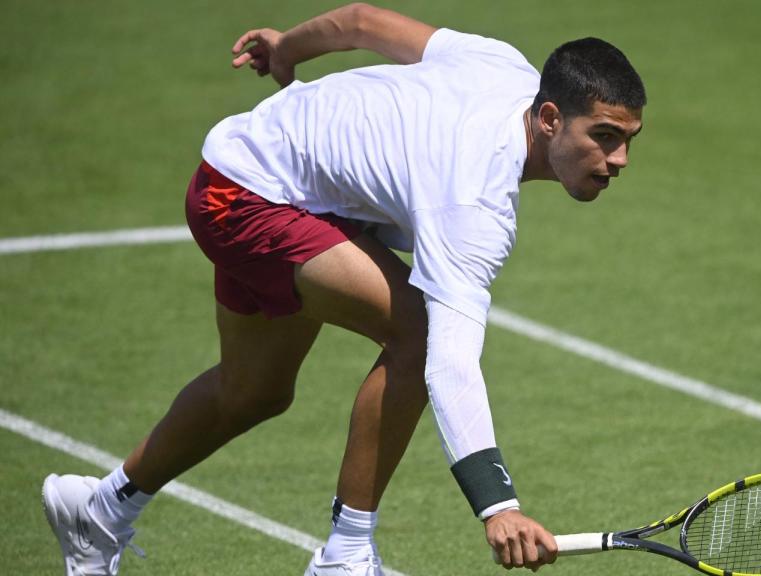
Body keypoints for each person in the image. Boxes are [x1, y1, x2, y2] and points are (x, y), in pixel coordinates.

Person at [41, 3, 646, 575]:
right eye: (604, 136)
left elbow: (360, 21)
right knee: (418, 328)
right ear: (548, 119)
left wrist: (287, 48)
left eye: (627, 140)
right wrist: (498, 506)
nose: (619, 160)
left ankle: (98, 511)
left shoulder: (502, 64)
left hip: (258, 174)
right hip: (249, 195)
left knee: (252, 392)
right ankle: (346, 553)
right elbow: (450, 365)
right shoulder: (474, 201)